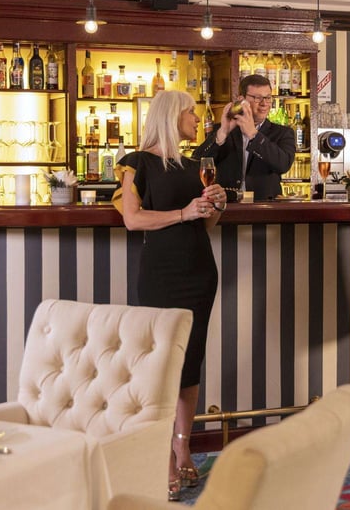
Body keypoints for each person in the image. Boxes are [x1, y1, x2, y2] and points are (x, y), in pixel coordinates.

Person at [112, 90, 227, 502]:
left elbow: (205, 225)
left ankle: (183, 446)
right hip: (161, 275)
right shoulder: (137, 163)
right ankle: (162, 454)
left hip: (200, 271)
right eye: (190, 113)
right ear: (171, 115)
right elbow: (132, 219)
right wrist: (184, 213)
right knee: (161, 367)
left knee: (190, 364)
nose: (197, 120)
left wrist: (216, 206)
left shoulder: (197, 166)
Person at [194, 74, 295, 201]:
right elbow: (196, 162)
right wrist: (222, 133)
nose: (264, 103)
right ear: (241, 100)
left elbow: (283, 165)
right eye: (257, 98)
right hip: (226, 206)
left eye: (268, 98)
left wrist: (254, 135)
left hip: (264, 207)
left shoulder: (283, 133)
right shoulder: (222, 129)